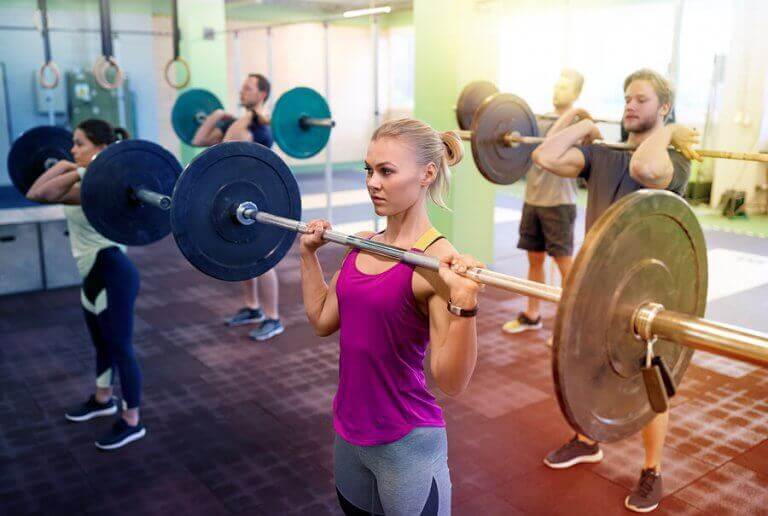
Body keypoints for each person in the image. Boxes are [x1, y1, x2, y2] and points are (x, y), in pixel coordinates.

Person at [532, 68, 700, 513]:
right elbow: (544, 156)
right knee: (588, 364)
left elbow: (646, 168)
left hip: (649, 291)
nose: (630, 104)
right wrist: (583, 127)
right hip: (599, 282)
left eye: (641, 99)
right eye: (627, 97)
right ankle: (587, 440)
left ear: (664, 108)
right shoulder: (604, 154)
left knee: (649, 379)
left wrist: (670, 133)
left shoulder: (674, 158)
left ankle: (652, 470)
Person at [300, 119, 484, 515]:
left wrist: (464, 303)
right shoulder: (361, 245)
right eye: (368, 170)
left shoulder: (436, 262)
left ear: (426, 174)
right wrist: (308, 255)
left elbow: (452, 381)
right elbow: (321, 319)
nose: (372, 183)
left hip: (406, 443)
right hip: (349, 436)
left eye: (386, 171)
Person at [26, 119, 147, 450]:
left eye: (79, 143)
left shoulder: (100, 189)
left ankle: (132, 420)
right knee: (101, 343)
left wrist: (80, 168)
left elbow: (40, 193)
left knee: (120, 346)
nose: (72, 149)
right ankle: (102, 398)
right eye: (73, 142)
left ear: (101, 148)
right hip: (93, 273)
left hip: (112, 271)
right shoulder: (84, 180)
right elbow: (35, 191)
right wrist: (76, 165)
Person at [192, 73, 283, 341]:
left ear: (262, 94)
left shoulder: (260, 123)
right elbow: (198, 140)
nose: (242, 92)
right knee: (243, 252)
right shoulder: (235, 123)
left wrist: (256, 116)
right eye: (242, 87)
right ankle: (253, 307)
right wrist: (216, 115)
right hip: (234, 196)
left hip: (259, 195)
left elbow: (266, 126)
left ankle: (273, 318)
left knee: (262, 257)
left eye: (248, 88)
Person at [501, 70, 581, 343]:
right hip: (533, 199)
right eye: (556, 86)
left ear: (576, 94)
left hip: (559, 203)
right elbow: (513, 143)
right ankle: (532, 314)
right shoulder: (538, 120)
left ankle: (570, 327)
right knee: (534, 259)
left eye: (565, 88)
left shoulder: (577, 123)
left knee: (564, 264)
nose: (557, 91)